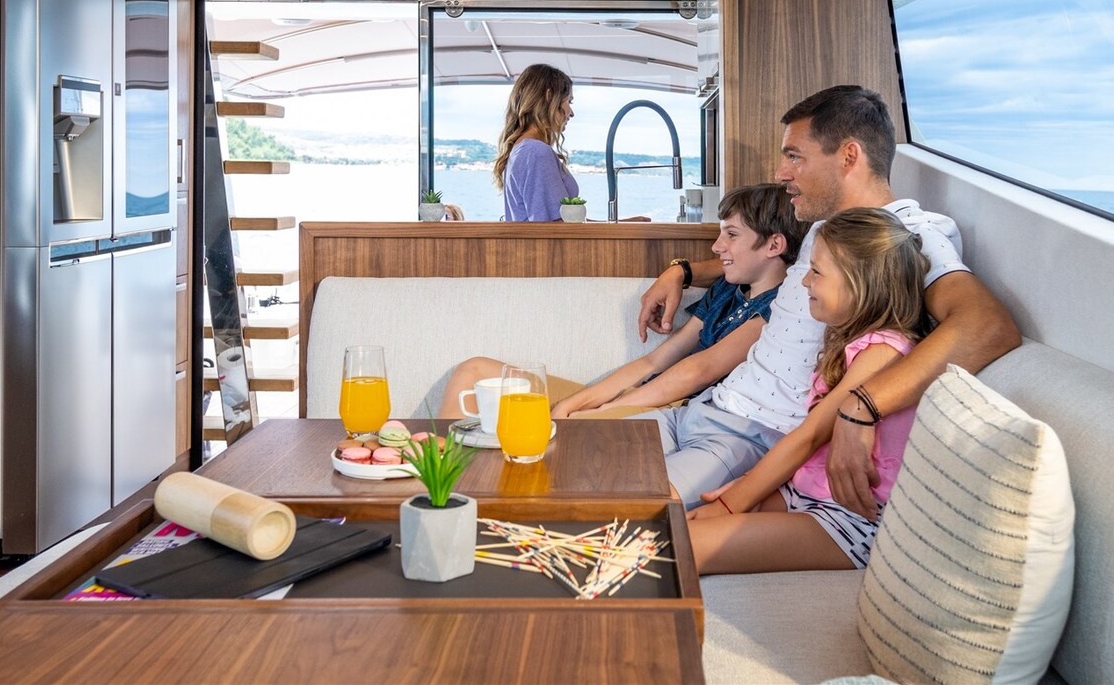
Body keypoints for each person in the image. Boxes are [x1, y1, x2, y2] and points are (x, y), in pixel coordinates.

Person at [633, 85, 1019, 511]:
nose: (781, 172)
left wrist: (862, 406)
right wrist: (683, 271)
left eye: (795, 156)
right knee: (581, 456)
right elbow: (762, 258)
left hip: (757, 436)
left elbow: (986, 325)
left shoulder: (908, 236)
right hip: (708, 406)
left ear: (849, 156)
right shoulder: (825, 229)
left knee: (613, 508)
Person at [684, 208, 930, 573]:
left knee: (682, 546)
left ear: (860, 284)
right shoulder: (846, 343)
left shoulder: (885, 353)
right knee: (676, 524)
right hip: (802, 492)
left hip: (848, 519)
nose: (804, 282)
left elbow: (811, 435)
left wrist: (730, 504)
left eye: (817, 272)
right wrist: (747, 488)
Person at [435, 183, 806, 419]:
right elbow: (653, 361)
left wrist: (604, 411)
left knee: (574, 423)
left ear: (774, 245)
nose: (717, 246)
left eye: (731, 235)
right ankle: (442, 486)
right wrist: (579, 403)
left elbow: (697, 371)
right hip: (637, 397)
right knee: (473, 371)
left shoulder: (779, 310)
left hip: (672, 413)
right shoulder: (727, 288)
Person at [494, 64, 579, 221]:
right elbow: (554, 228)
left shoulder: (524, 149)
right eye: (569, 101)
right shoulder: (536, 152)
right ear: (549, 97)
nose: (571, 113)